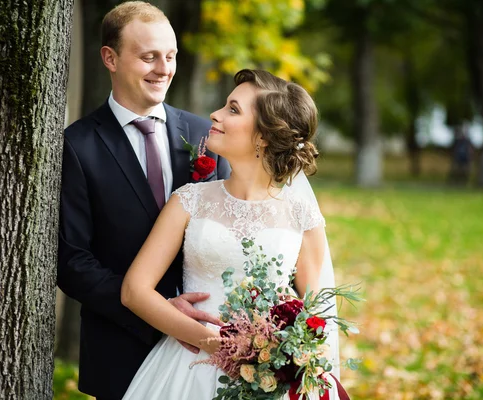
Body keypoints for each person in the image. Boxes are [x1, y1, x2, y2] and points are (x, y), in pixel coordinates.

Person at [120, 69, 345, 399]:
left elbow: (318, 316)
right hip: (188, 367)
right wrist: (214, 344)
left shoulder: (301, 215)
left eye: (233, 109)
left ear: (264, 136)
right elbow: (134, 291)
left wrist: (281, 349)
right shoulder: (189, 201)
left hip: (270, 376)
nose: (216, 114)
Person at [56, 2, 230, 399]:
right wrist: (161, 312)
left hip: (209, 348)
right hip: (122, 347)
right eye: (148, 57)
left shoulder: (208, 136)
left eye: (170, 56)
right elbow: (72, 261)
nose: (164, 69)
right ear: (110, 58)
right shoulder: (77, 146)